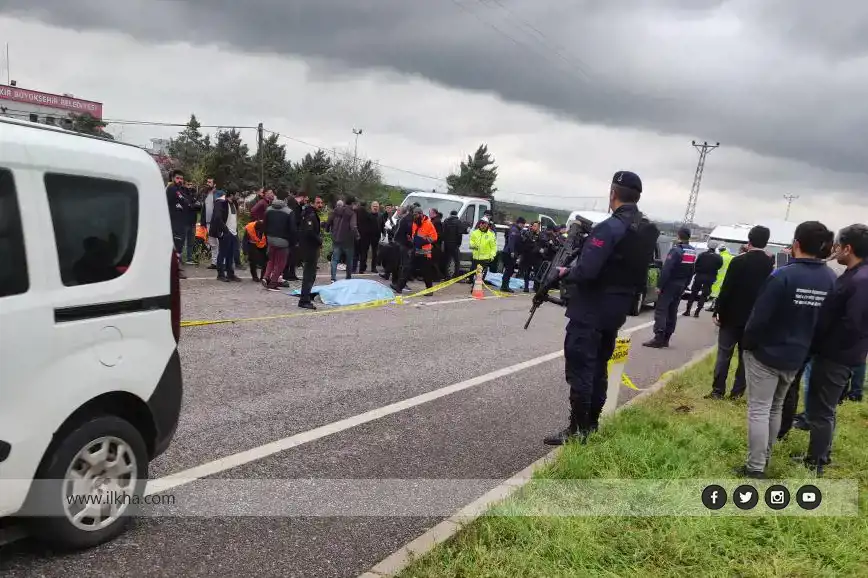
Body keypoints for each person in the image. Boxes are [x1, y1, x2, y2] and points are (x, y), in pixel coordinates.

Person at [544, 171, 659, 445]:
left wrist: (564, 273)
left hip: (591, 308)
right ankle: (591, 425)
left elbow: (587, 271)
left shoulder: (610, 227)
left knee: (582, 369)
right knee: (599, 369)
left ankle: (577, 431)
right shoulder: (644, 229)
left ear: (612, 193)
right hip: (616, 310)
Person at [735, 221, 836, 478]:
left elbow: (759, 318)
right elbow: (826, 322)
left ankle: (755, 467)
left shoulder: (783, 275)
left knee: (759, 408)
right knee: (776, 406)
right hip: (797, 356)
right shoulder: (830, 279)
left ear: (796, 244)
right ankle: (764, 458)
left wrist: (748, 345)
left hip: (766, 354)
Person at [798, 224, 868, 473]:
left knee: (822, 411)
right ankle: (820, 454)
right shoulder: (854, 274)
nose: (835, 249)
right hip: (833, 353)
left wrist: (825, 345)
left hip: (836, 356)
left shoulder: (861, 280)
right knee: (823, 408)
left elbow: (853, 325)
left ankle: (815, 461)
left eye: (838, 244)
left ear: (848, 248)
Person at [706, 226, 774, 399]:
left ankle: (717, 390)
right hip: (754, 319)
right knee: (746, 358)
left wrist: (718, 311)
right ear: (766, 242)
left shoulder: (739, 261)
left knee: (724, 354)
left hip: (731, 317)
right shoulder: (769, 264)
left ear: (749, 240)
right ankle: (737, 393)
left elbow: (727, 288)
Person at [643, 227, 696, 348]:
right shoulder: (692, 251)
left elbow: (667, 270)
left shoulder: (676, 250)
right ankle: (667, 338)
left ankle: (658, 338)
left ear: (678, 236)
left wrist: (659, 285)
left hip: (671, 284)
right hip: (681, 285)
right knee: (672, 311)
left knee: (661, 310)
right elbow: (692, 270)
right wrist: (686, 285)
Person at [262, 197, 297, 291]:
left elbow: (264, 225)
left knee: (271, 260)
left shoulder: (268, 210)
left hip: (270, 239)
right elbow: (292, 229)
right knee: (280, 263)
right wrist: (293, 242)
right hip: (283, 241)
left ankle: (266, 277)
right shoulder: (289, 212)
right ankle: (273, 283)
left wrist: (267, 237)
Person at [297, 196, 324, 309]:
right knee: (309, 275)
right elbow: (309, 232)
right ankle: (304, 300)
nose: (320, 205)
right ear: (312, 203)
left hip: (310, 248)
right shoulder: (310, 215)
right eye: (318, 203)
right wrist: (319, 240)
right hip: (310, 249)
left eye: (321, 203)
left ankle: (306, 297)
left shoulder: (310, 213)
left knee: (311, 275)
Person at [683, 241, 723, 317]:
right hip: (710, 278)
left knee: (693, 293)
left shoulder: (702, 255)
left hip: (699, 276)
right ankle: (697, 312)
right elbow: (719, 266)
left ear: (708, 246)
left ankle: (687, 311)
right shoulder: (718, 257)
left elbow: (696, 264)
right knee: (704, 295)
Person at [211, 190, 242, 282]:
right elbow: (217, 218)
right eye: (237, 194)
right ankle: (220, 274)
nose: (238, 196)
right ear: (231, 195)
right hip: (226, 232)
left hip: (234, 233)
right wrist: (225, 230)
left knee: (231, 254)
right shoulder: (221, 203)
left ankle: (230, 274)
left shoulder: (234, 203)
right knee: (223, 253)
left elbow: (234, 218)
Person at [327, 196, 359, 282]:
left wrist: (328, 230)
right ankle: (348, 278)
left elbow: (329, 221)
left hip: (336, 239)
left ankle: (333, 278)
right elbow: (353, 227)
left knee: (335, 259)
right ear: (352, 204)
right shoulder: (352, 213)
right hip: (348, 241)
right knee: (349, 260)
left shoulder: (336, 210)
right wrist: (357, 236)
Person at [165, 169, 191, 278]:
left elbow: (187, 201)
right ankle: (175, 270)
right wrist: (186, 203)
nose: (180, 180)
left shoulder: (180, 189)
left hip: (180, 222)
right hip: (173, 222)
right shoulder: (172, 189)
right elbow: (185, 202)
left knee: (179, 246)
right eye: (177, 178)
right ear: (172, 178)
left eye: (181, 178)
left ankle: (175, 268)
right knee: (176, 246)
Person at [390, 206, 417, 293]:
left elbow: (398, 232)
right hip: (406, 245)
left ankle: (399, 284)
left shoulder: (405, 219)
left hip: (402, 244)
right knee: (405, 265)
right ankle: (399, 285)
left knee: (403, 265)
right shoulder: (411, 220)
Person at [468, 219, 497, 290]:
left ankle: (476, 288)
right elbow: (471, 242)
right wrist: (473, 245)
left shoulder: (491, 234)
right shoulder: (474, 233)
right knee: (474, 274)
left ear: (487, 224)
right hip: (475, 258)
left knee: (480, 275)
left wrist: (492, 256)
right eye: (481, 223)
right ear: (479, 224)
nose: (483, 225)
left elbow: (494, 247)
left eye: (484, 223)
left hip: (485, 259)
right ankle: (475, 285)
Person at [500, 217, 526, 293]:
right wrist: (512, 252)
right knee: (509, 270)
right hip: (509, 253)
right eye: (523, 224)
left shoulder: (517, 230)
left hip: (511, 252)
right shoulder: (514, 230)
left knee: (510, 270)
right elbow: (512, 242)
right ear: (520, 223)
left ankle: (505, 285)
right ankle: (504, 286)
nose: (523, 226)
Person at [199, 177, 220, 269]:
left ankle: (221, 261)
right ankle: (214, 263)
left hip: (217, 222)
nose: (208, 183)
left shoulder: (218, 194)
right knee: (212, 243)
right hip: (208, 222)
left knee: (219, 242)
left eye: (210, 182)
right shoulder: (205, 194)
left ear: (214, 184)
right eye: (207, 182)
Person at [519, 221, 543, 293]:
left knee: (537, 272)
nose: (533, 227)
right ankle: (526, 287)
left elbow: (542, 244)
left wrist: (538, 248)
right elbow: (524, 243)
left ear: (538, 227)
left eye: (535, 226)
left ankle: (536, 287)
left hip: (536, 257)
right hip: (528, 256)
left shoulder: (541, 235)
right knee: (527, 272)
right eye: (533, 226)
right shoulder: (527, 233)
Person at [707, 245, 733, 310]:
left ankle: (713, 307)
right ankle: (716, 307)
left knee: (715, 294)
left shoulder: (720, 257)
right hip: (727, 278)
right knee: (720, 293)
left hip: (718, 277)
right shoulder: (731, 257)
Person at [441, 210, 465, 278]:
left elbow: (443, 232)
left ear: (450, 214)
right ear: (456, 214)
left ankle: (446, 275)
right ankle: (455, 276)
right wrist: (458, 243)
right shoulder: (458, 222)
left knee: (447, 260)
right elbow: (459, 234)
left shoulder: (446, 221)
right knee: (456, 261)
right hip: (454, 245)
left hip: (446, 244)